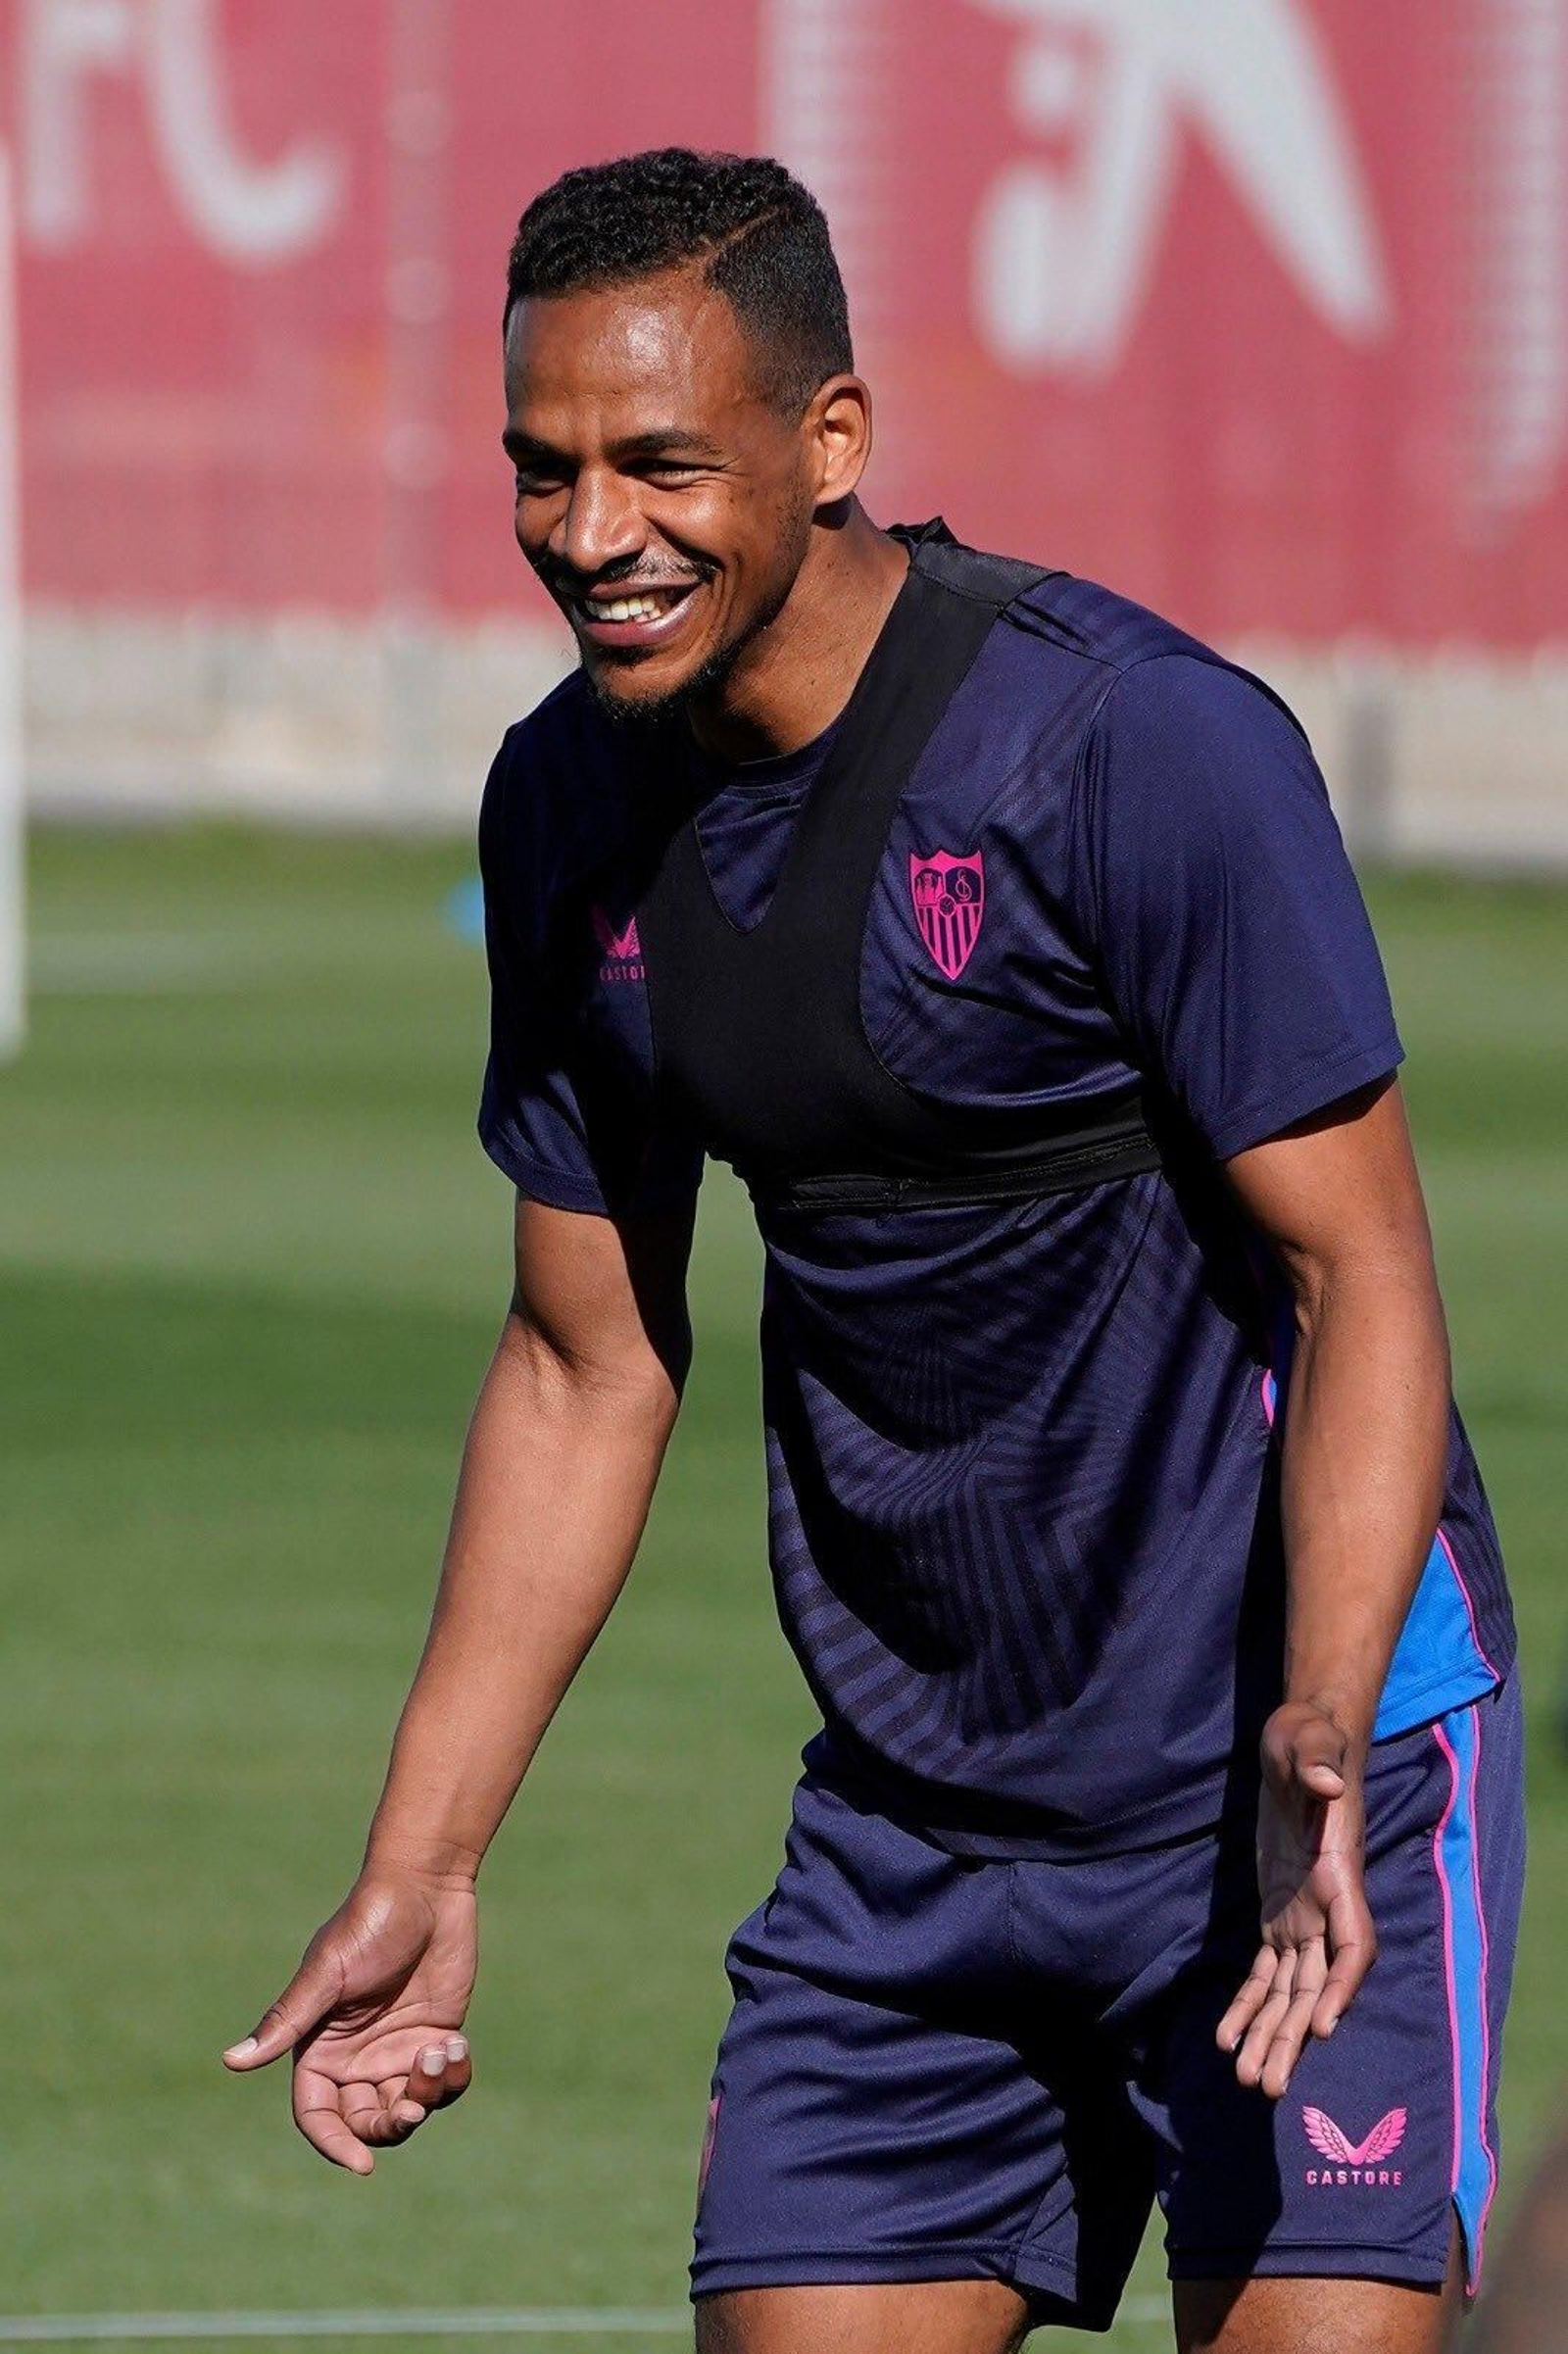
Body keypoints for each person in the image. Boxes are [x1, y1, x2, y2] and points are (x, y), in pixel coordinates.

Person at [223, 148, 1524, 2354]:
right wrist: (425, 1860)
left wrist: (1317, 1713)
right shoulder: (565, 808)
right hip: (920, 1832)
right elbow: (579, 1361)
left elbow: (1356, 1275)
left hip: (1296, 1790)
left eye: (660, 465)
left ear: (831, 440)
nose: (590, 532)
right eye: (542, 467)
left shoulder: (1129, 746)